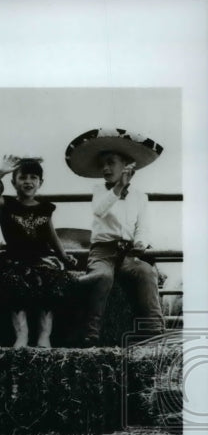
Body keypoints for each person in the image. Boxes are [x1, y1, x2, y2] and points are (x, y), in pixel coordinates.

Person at [65, 127, 165, 345]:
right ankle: (91, 334)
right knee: (103, 277)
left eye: (111, 162)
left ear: (127, 168)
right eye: (103, 164)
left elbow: (143, 227)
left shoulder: (140, 197)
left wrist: (139, 245)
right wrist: (118, 187)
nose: (106, 168)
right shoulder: (100, 191)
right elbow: (99, 210)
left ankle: (153, 332)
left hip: (128, 250)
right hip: (102, 249)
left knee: (146, 273)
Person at [0, 156, 73, 348]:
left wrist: (63, 256)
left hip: (41, 258)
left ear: (40, 182)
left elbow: (51, 234)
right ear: (14, 182)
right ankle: (22, 335)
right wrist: (1, 172)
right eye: (23, 177)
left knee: (52, 282)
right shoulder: (7, 204)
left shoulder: (45, 208)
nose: (28, 181)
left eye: (33, 177)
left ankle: (44, 336)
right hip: (15, 259)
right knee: (14, 284)